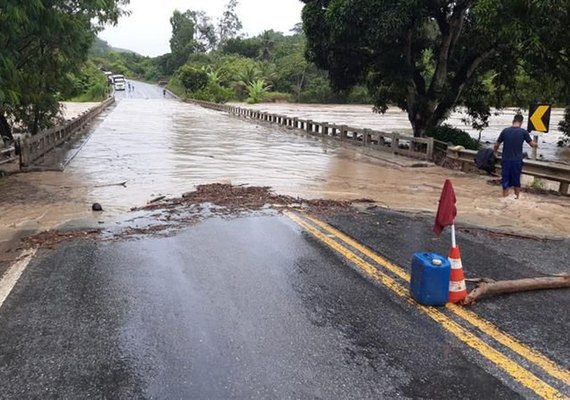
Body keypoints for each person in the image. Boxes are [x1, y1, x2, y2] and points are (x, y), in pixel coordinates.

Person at [494, 114, 538, 198]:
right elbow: (532, 144)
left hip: (506, 160)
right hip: (517, 161)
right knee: (516, 180)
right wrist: (536, 144)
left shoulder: (505, 131)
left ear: (513, 121)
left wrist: (495, 152)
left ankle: (505, 197)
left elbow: (496, 145)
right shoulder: (523, 132)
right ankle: (517, 197)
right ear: (521, 122)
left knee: (505, 180)